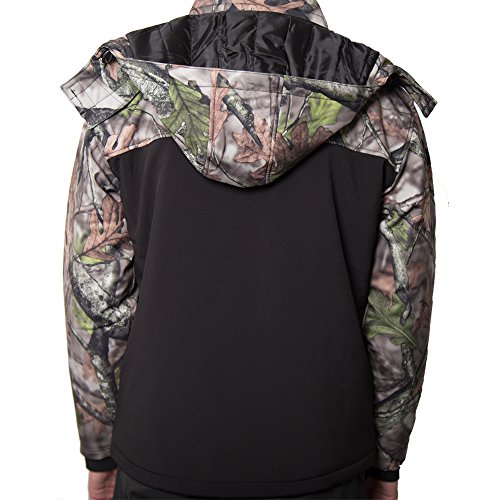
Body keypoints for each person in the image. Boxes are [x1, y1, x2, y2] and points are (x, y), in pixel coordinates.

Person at [60, 1, 437, 499]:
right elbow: (402, 306)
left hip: (162, 446)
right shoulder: (382, 111)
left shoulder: (128, 98)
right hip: (322, 450)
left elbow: (95, 292)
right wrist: (387, 461)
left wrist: (100, 448)